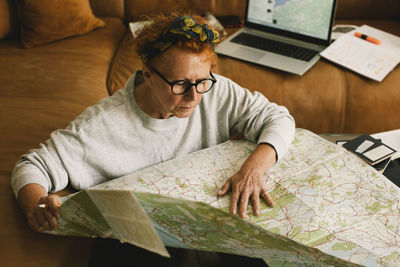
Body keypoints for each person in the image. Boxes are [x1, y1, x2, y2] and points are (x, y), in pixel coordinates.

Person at [12, 13, 295, 234]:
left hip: (212, 221)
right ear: (147, 74)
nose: (194, 96)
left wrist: (252, 169)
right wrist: (36, 205)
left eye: (201, 81)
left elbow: (278, 118)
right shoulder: (100, 126)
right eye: (180, 83)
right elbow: (31, 167)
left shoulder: (215, 90)